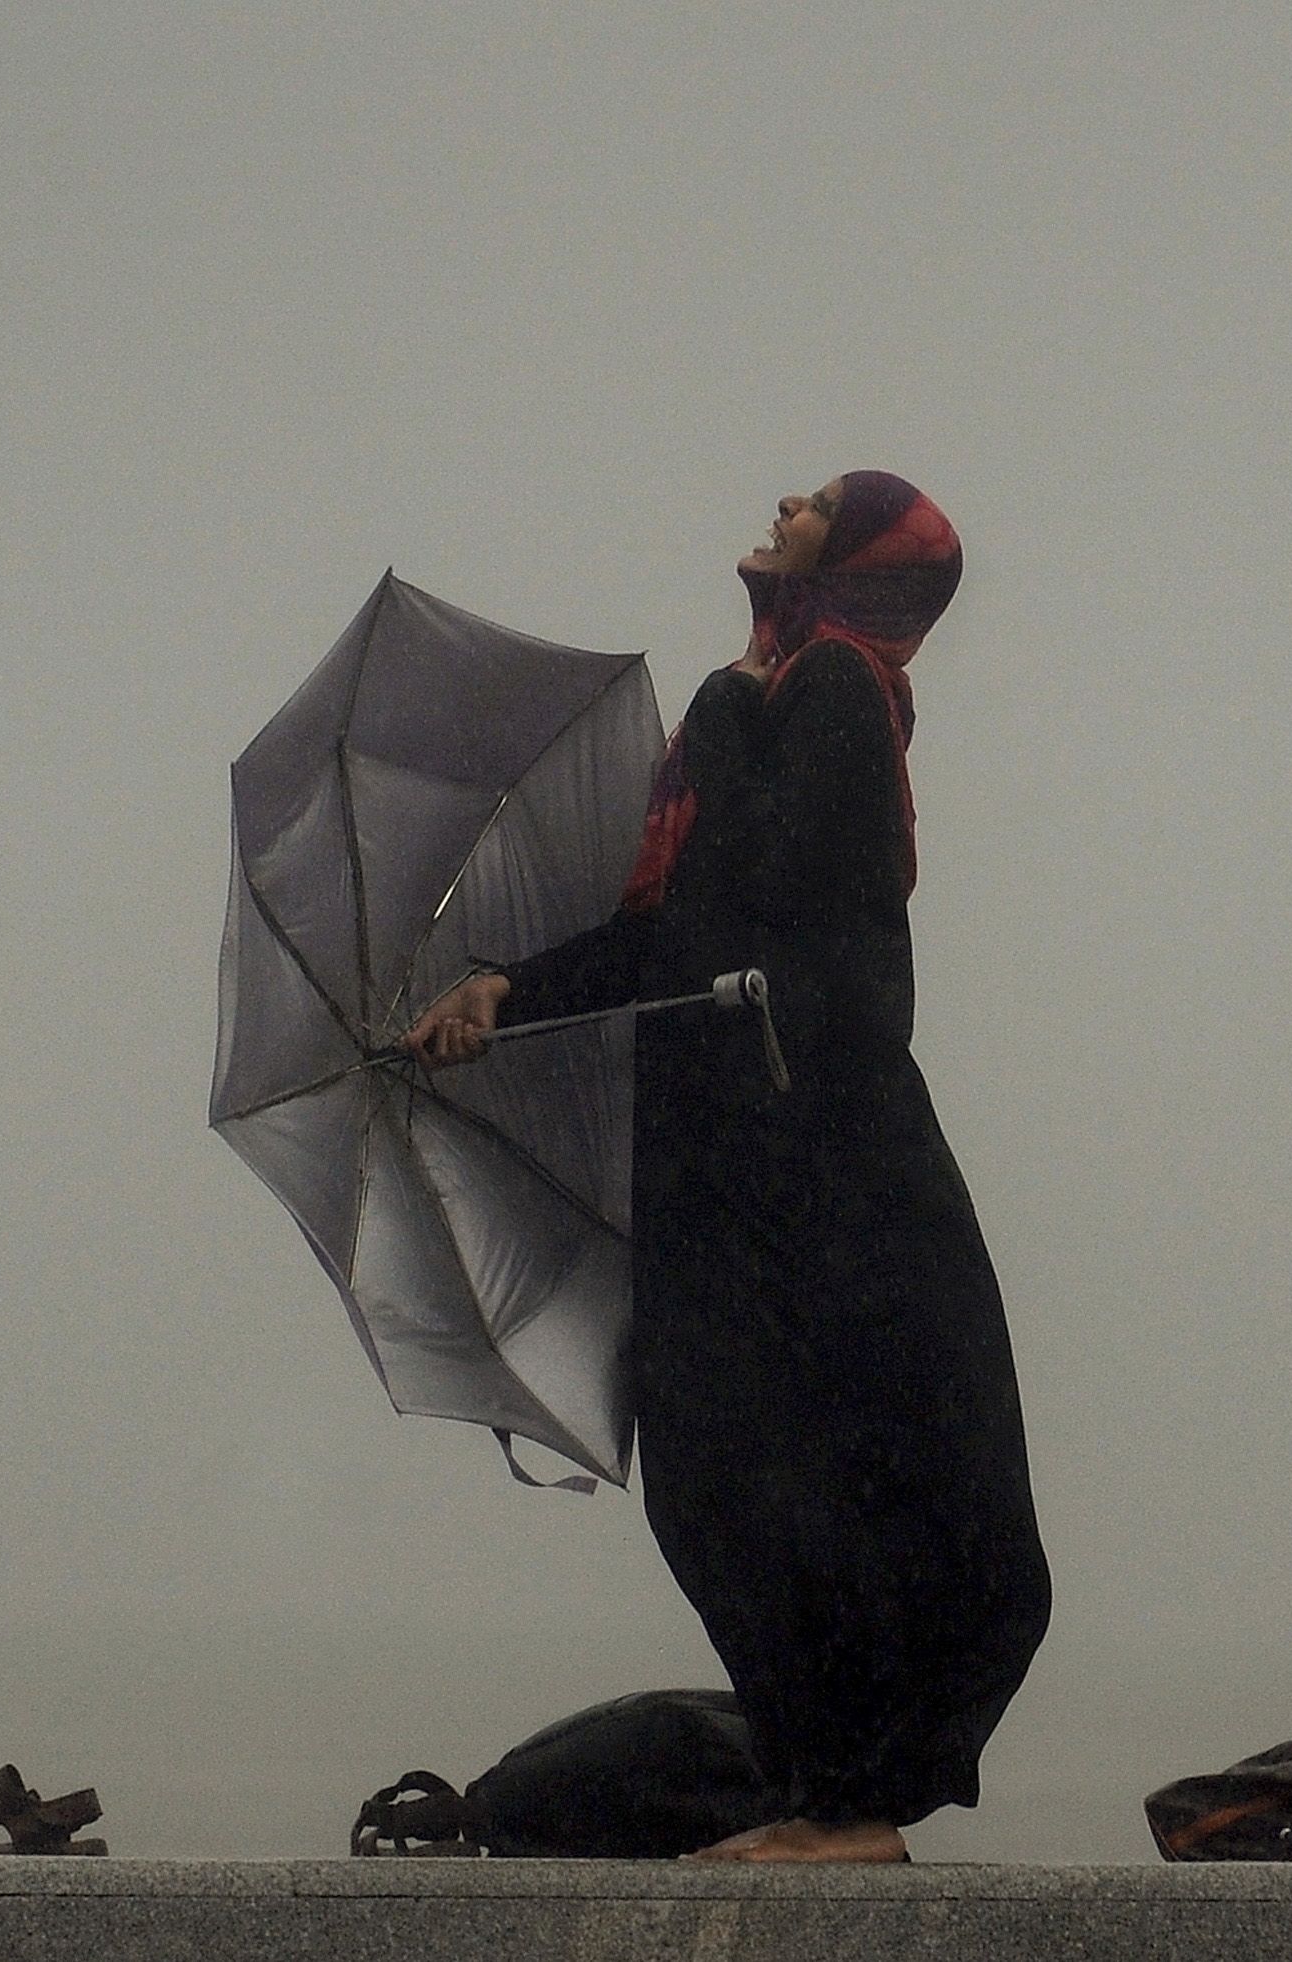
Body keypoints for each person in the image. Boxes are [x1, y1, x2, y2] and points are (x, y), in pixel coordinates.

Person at [406, 472, 1051, 1863]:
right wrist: (504, 990)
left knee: (808, 1458)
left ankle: (850, 1800)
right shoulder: (752, 701)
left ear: (865, 564)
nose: (781, 500)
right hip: (724, 1154)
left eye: (818, 501)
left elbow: (832, 928)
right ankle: (832, 1786)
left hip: (809, 1160)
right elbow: (680, 937)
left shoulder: (828, 692)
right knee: (719, 1468)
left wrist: (725, 732)